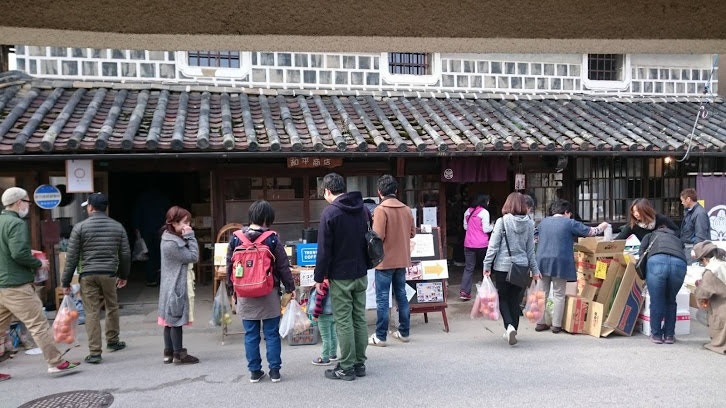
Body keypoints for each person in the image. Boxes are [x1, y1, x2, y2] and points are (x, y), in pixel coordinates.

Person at [0, 187, 80, 378]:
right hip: (17, 285)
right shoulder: (16, 223)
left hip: (1, 283)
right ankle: (56, 362)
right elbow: (18, 253)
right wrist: (38, 263)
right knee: (38, 324)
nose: (28, 206)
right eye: (27, 202)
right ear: (19, 202)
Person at [225, 200, 295, 383]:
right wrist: (290, 288)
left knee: (250, 334)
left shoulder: (236, 238)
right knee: (271, 333)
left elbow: (229, 266)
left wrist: (231, 290)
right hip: (268, 292)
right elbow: (283, 266)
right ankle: (274, 371)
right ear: (268, 218)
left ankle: (255, 372)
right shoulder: (272, 239)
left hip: (244, 294)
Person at [62, 192, 130, 364]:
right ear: (105, 208)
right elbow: (125, 254)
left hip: (88, 275)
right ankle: (113, 341)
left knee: (92, 312)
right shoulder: (117, 227)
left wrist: (65, 281)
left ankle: (94, 352)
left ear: (90, 207)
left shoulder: (80, 227)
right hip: (109, 273)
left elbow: (71, 257)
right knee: (112, 306)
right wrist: (123, 275)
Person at [314, 173, 369, 381]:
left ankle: (346, 367)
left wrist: (319, 277)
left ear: (328, 190)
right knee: (359, 317)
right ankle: (359, 363)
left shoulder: (330, 213)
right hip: (361, 272)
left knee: (343, 320)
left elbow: (324, 251)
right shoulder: (363, 209)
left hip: (340, 276)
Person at [535, 199, 609, 333]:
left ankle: (540, 323)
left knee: (542, 292)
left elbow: (535, 238)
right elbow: (591, 232)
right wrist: (603, 226)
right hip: (560, 261)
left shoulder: (543, 222)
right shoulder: (569, 223)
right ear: (566, 212)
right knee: (559, 293)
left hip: (541, 260)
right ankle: (556, 325)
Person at [482, 192, 541, 346]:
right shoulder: (529, 223)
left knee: (503, 297)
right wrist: (535, 270)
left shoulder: (502, 222)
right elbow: (530, 250)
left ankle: (508, 327)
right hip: (521, 266)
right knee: (515, 300)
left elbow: (493, 246)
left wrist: (486, 265)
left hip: (503, 266)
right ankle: (513, 328)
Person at [369, 174, 416, 346]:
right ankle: (404, 332)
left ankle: (380, 336)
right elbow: (412, 233)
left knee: (382, 298)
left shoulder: (381, 210)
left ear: (379, 192)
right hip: (402, 259)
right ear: (396, 190)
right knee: (401, 296)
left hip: (384, 261)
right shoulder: (406, 209)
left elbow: (378, 236)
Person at [158, 206, 199, 365]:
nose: (187, 225)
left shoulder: (168, 238)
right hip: (176, 285)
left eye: (189, 222)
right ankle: (178, 354)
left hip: (170, 285)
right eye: (184, 222)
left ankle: (168, 353)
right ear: (173, 223)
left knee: (169, 321)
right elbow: (193, 256)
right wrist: (190, 236)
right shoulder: (172, 244)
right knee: (175, 321)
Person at [639, 226, 687, 344]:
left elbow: (641, 255)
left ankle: (656, 335)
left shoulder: (650, 236)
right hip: (679, 264)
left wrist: (644, 277)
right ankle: (669, 336)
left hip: (656, 262)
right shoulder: (677, 239)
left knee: (657, 300)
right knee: (671, 300)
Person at [693, 241, 726, 354]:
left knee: (701, 314)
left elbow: (702, 294)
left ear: (704, 259)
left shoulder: (711, 271)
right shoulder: (723, 264)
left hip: (723, 310)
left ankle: (719, 342)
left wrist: (697, 287)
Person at [133, 188, 170, 286]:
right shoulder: (163, 198)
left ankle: (151, 279)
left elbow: (137, 215)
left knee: (149, 254)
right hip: (162, 230)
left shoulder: (142, 198)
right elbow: (169, 215)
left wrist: (137, 231)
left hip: (146, 230)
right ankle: (163, 279)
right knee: (162, 253)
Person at [460, 194, 493, 301]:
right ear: (484, 201)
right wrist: (493, 225)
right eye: (488, 201)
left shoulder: (467, 211)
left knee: (469, 268)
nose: (488, 203)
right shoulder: (484, 212)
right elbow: (486, 229)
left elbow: (465, 227)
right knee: (485, 267)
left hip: (469, 244)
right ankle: (486, 291)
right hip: (482, 244)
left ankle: (464, 292)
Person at [310, 278, 338, 365]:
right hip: (333, 313)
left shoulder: (323, 285)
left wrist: (315, 314)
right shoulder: (335, 282)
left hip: (324, 315)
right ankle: (333, 354)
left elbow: (319, 301)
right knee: (333, 335)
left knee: (326, 337)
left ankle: (325, 357)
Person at [679, 188, 711, 263]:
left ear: (688, 199)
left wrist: (695, 250)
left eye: (682, 200)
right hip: (689, 249)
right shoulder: (691, 212)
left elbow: (701, 235)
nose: (682, 203)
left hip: (693, 250)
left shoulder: (699, 213)